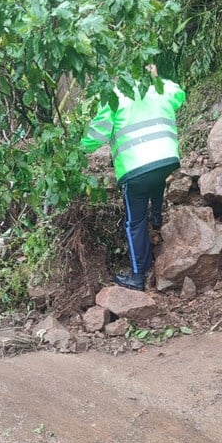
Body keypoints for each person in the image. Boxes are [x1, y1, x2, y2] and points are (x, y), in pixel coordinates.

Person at [80, 64, 186, 291]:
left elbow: (96, 135)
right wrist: (156, 78)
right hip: (167, 159)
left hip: (135, 169)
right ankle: (157, 220)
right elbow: (179, 94)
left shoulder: (113, 96)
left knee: (134, 222)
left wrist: (76, 150)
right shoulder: (157, 86)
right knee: (156, 181)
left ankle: (138, 276)